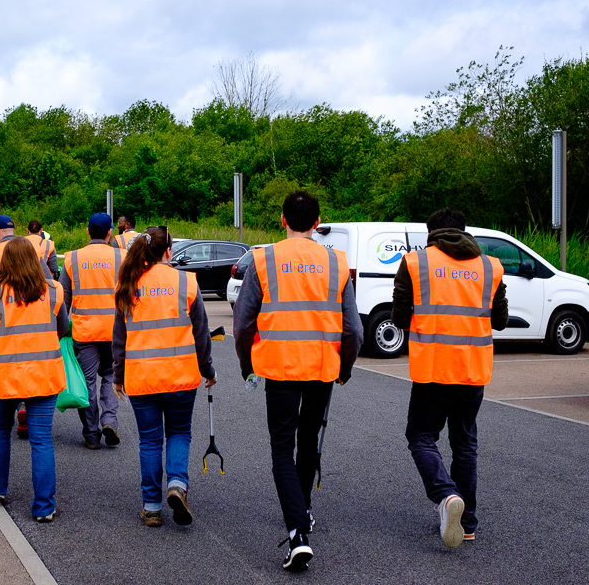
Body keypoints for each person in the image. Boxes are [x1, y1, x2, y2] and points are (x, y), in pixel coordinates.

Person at [233, 190, 363, 572]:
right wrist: (346, 367)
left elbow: (242, 322)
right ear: (318, 221)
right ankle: (302, 512)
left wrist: (247, 364)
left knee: (281, 449)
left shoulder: (264, 259)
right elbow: (353, 328)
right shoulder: (336, 262)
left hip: (280, 367)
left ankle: (297, 533)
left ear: (282, 219)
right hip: (322, 365)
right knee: (308, 442)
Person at [391, 209, 508, 548]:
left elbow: (399, 318)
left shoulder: (416, 264)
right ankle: (467, 522)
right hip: (473, 370)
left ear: (432, 234)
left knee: (421, 437)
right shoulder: (490, 267)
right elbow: (500, 321)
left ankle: (445, 496)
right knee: (465, 444)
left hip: (432, 370)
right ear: (463, 231)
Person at [112, 226, 216, 528]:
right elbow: (201, 335)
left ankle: (152, 505)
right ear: (168, 251)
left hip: (142, 377)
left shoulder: (129, 283)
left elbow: (119, 339)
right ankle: (177, 484)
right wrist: (207, 370)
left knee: (149, 441)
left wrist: (118, 377)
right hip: (180, 376)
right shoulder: (186, 282)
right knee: (179, 433)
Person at [0, 237, 69, 522]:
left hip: (7, 376)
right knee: (41, 440)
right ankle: (44, 507)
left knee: (0, 429)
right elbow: (63, 327)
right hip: (44, 375)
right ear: (35, 259)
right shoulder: (53, 291)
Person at [0, 214, 50, 438]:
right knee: (42, 436)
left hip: (3, 323)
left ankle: (19, 407)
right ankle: (25, 406)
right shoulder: (32, 249)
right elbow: (47, 282)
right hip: (36, 326)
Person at [59, 213, 126, 450]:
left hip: (84, 331)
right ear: (110, 233)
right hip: (115, 331)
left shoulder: (72, 258)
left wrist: (61, 330)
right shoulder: (122, 256)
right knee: (111, 376)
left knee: (87, 381)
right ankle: (109, 420)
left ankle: (91, 434)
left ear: (87, 231)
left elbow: (63, 299)